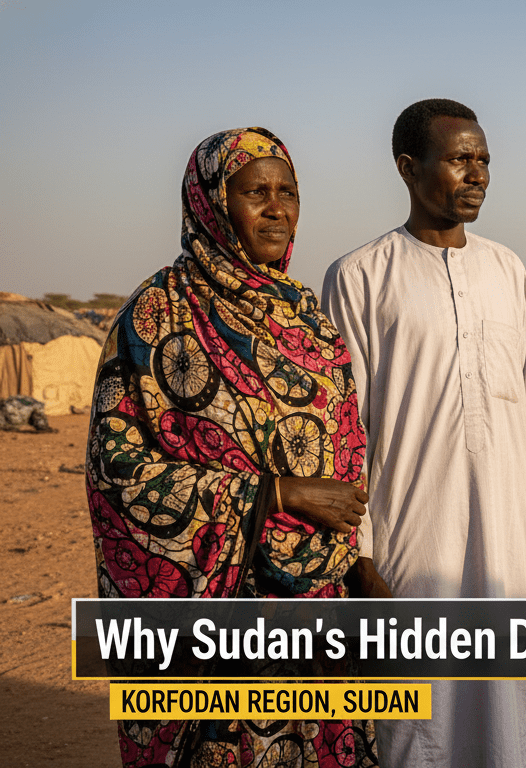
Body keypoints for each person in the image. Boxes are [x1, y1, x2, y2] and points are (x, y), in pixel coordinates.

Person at [86, 127, 389, 767]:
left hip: (318, 607)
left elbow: (343, 448)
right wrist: (274, 494)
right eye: (256, 192)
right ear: (212, 202)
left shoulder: (307, 316)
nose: (277, 209)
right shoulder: (157, 314)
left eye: (289, 193)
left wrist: (352, 560)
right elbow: (117, 471)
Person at [323, 99, 526, 766]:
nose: (479, 174)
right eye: (461, 159)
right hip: (408, 531)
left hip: (502, 530)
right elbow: (346, 428)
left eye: (485, 159)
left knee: (502, 700)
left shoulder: (506, 268)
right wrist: (360, 555)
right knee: (416, 708)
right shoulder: (360, 275)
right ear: (408, 168)